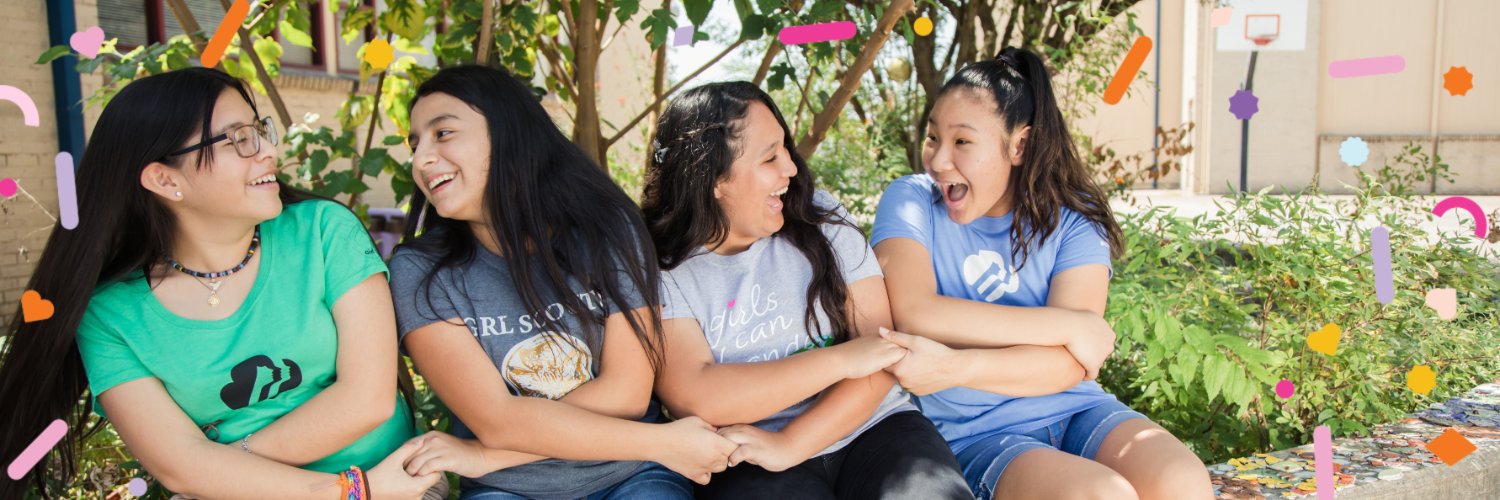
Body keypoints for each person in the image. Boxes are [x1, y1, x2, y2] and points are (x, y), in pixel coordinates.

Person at [0, 67, 438, 499]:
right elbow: (178, 467)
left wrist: (224, 469)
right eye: (238, 139)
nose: (268, 149)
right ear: (165, 179)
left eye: (259, 131)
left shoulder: (323, 231)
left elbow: (368, 399)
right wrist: (350, 491)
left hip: (392, 484)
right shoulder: (111, 314)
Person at [870, 47, 1214, 499]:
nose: (937, 161)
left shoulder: (1074, 221)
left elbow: (1070, 365)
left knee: (1184, 482)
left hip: (1077, 411)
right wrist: (1070, 324)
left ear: (1020, 145)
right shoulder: (912, 200)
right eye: (933, 138)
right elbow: (915, 312)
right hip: (976, 434)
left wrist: (956, 365)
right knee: (1099, 495)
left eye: (962, 142)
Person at [389, 65, 737, 499]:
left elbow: (626, 394)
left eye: (442, 134)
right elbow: (495, 419)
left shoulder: (606, 230)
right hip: (511, 491)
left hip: (630, 474)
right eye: (415, 143)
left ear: (508, 134)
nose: (421, 158)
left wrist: (485, 453)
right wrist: (665, 442)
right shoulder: (422, 271)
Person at [640, 82, 971, 500]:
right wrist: (843, 358)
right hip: (746, 458)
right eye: (770, 157)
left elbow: (883, 355)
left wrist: (792, 443)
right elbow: (698, 396)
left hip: (874, 426)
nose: (791, 169)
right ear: (714, 178)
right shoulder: (664, 267)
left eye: (785, 150)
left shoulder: (819, 215)